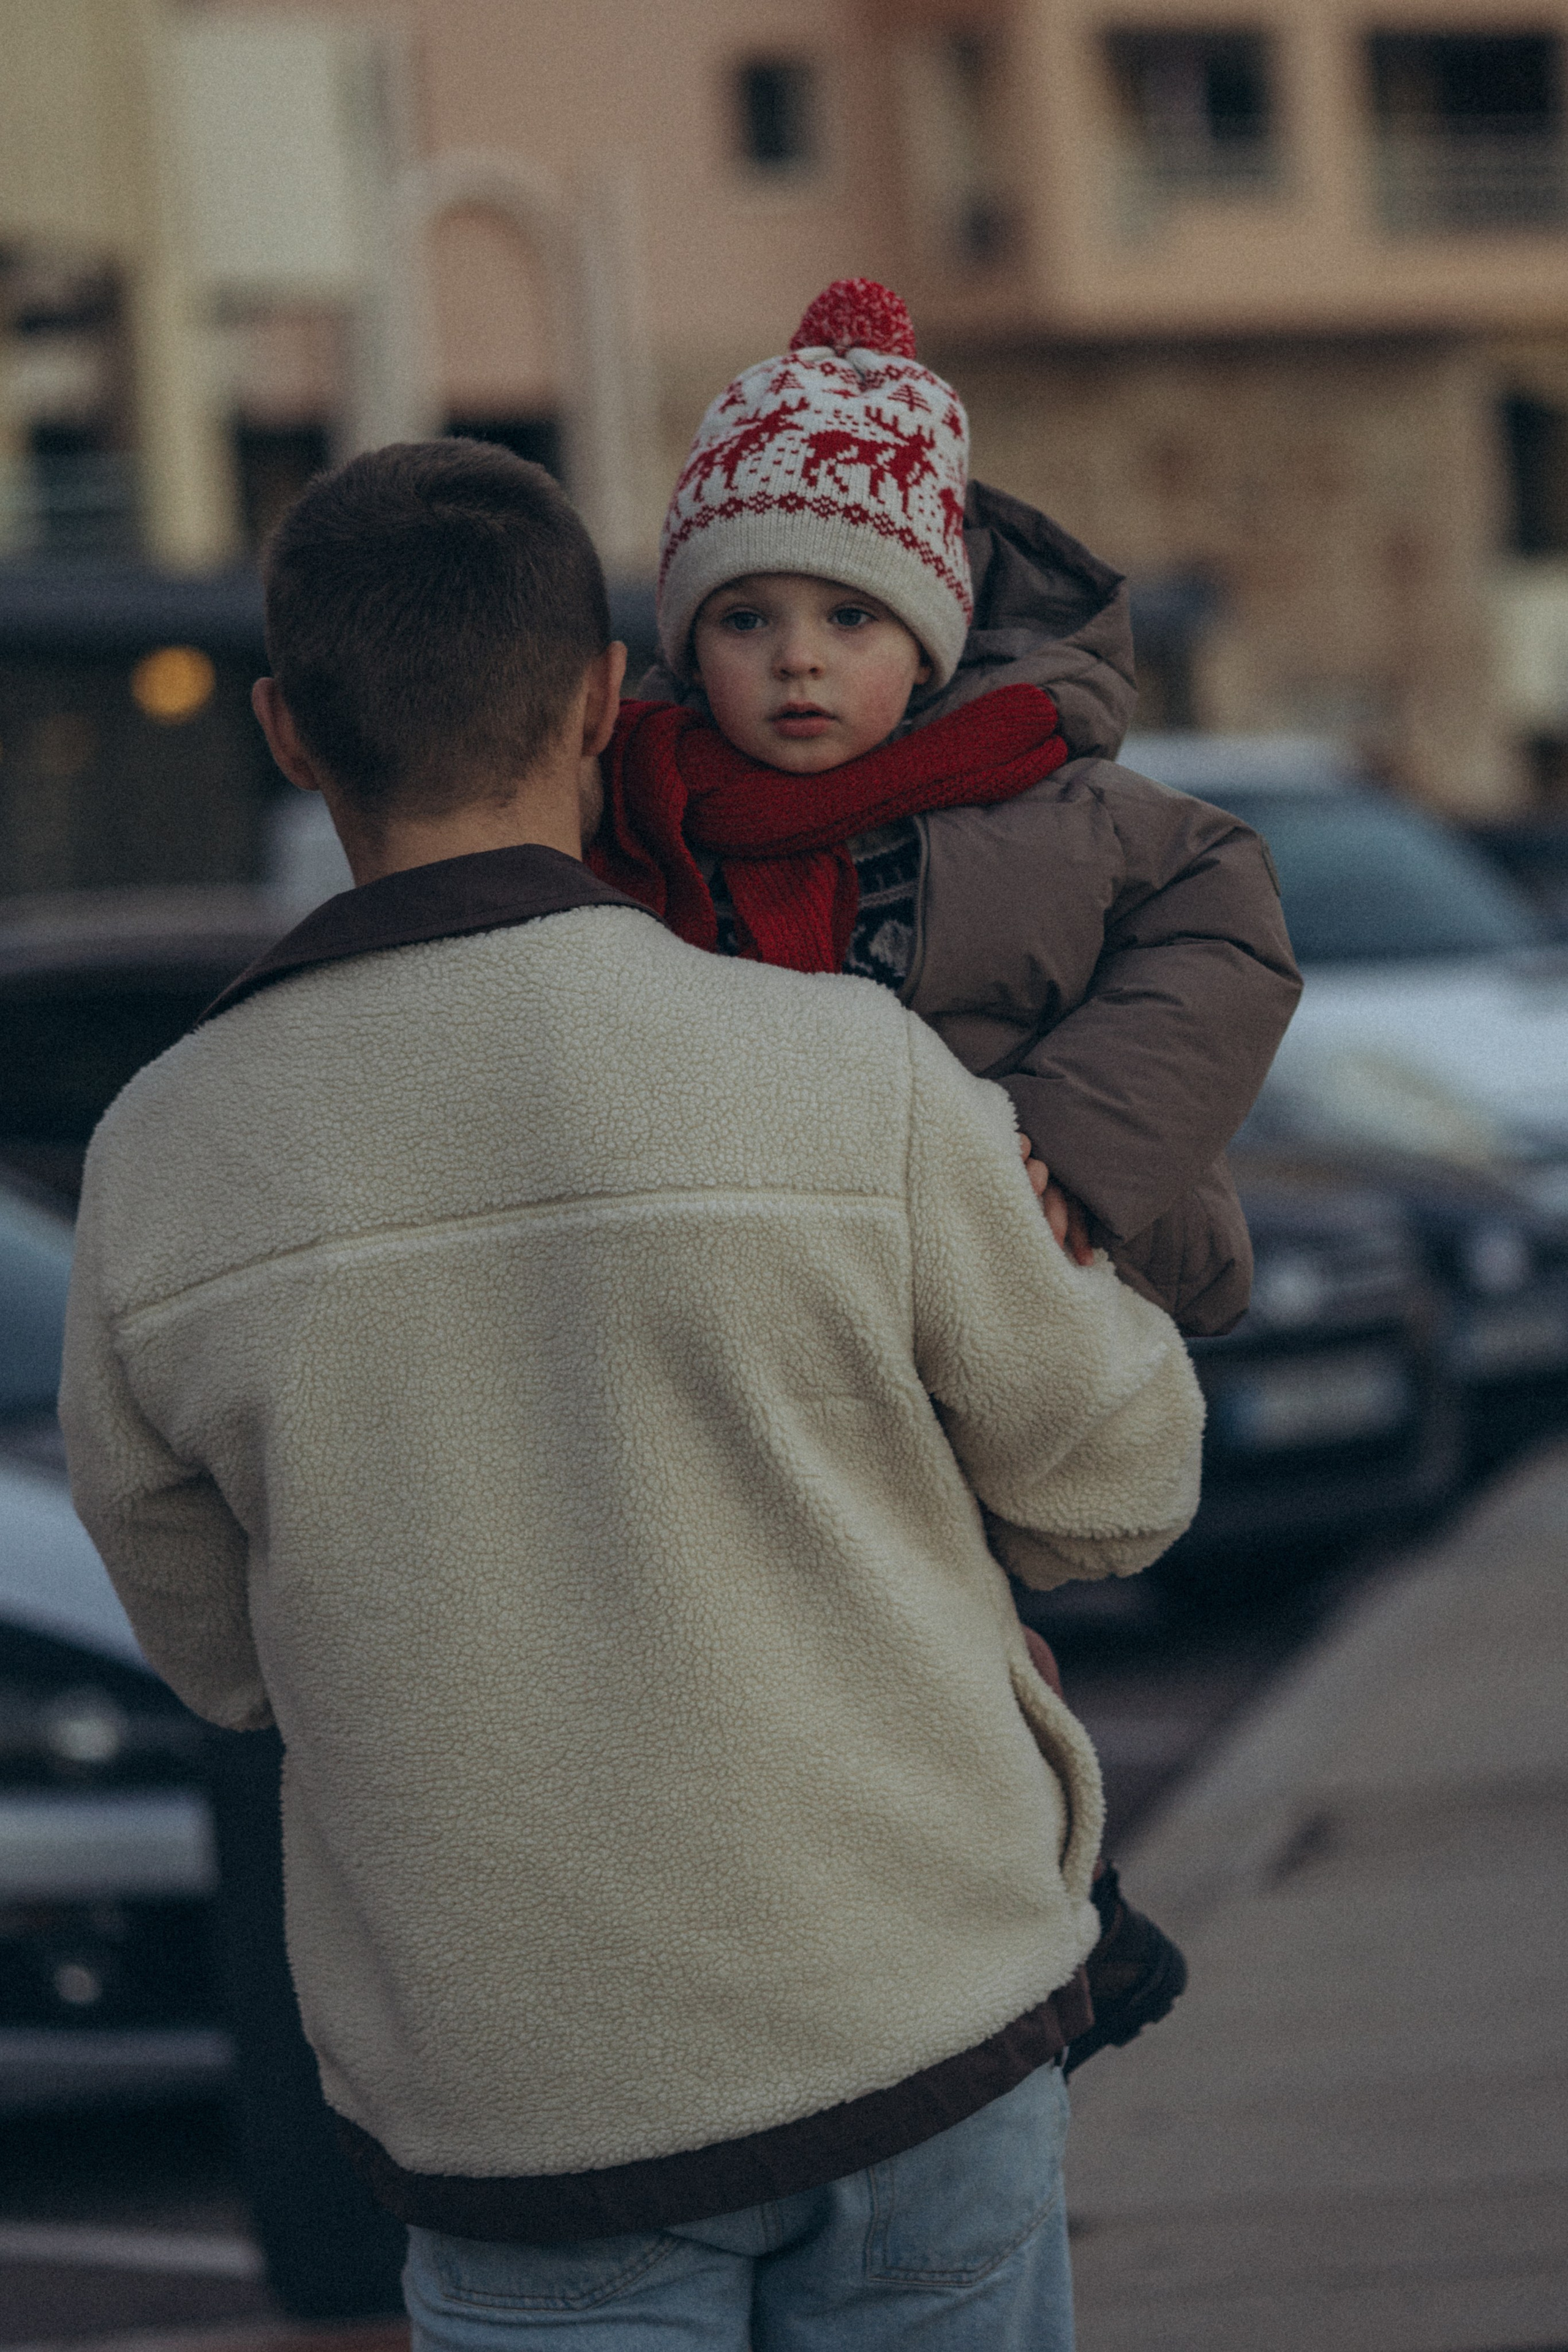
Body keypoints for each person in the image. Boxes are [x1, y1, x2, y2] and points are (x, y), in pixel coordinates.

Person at [61, 438, 1204, 2351]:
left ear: (285, 729)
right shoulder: (843, 1067)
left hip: (526, 2106)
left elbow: (219, 1655)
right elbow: (1122, 1490)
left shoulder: (163, 1158)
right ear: (606, 697)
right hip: (910, 2020)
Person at [589, 276, 1303, 2068]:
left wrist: (1080, 1130)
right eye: (746, 618)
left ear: (932, 628)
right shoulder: (649, 814)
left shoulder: (1041, 798)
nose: (801, 660)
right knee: (840, 1626)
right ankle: (962, 1920)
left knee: (946, 1610)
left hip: (1001, 1269)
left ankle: (1059, 1903)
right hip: (786, 1294)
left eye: (847, 613)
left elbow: (1230, 926)